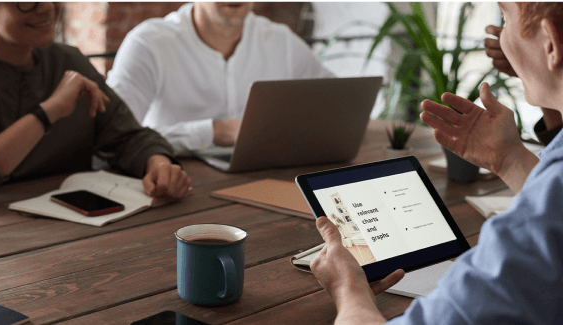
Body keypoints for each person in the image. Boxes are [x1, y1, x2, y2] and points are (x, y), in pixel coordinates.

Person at [311, 2, 563, 324]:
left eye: (505, 18)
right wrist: (510, 160)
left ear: (550, 42)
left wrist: (348, 287)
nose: (501, 39)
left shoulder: (530, 230)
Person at [0, 1, 191, 199]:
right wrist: (50, 111)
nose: (48, 6)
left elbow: (129, 136)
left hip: (81, 219)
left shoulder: (69, 61)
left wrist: (159, 164)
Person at [106, 1, 334, 156]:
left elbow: (335, 102)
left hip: (266, 175)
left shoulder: (281, 40)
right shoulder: (148, 43)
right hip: (177, 180)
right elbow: (112, 137)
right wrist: (213, 132)